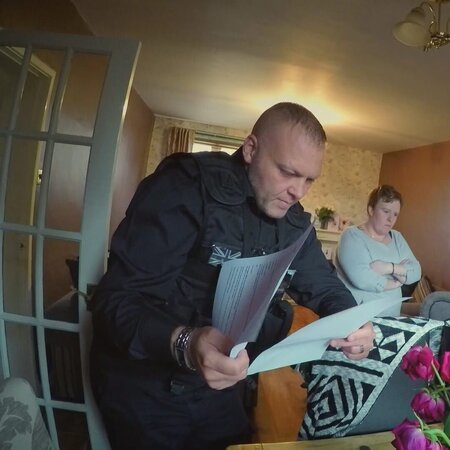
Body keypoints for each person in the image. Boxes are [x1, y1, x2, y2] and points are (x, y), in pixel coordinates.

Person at [89, 102, 375, 450]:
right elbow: (114, 302)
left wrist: (352, 322)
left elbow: (324, 285)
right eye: (287, 171)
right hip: (145, 389)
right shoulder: (184, 188)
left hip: (222, 389)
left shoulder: (294, 222)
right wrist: (186, 342)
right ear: (251, 149)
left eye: (309, 179)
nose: (298, 191)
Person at [335, 185, 421, 316]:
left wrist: (388, 268)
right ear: (371, 210)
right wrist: (396, 283)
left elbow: (416, 271)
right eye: (386, 211)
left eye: (395, 214)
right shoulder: (352, 236)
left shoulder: (397, 237)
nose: (390, 219)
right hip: (359, 319)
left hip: (392, 317)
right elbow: (362, 279)